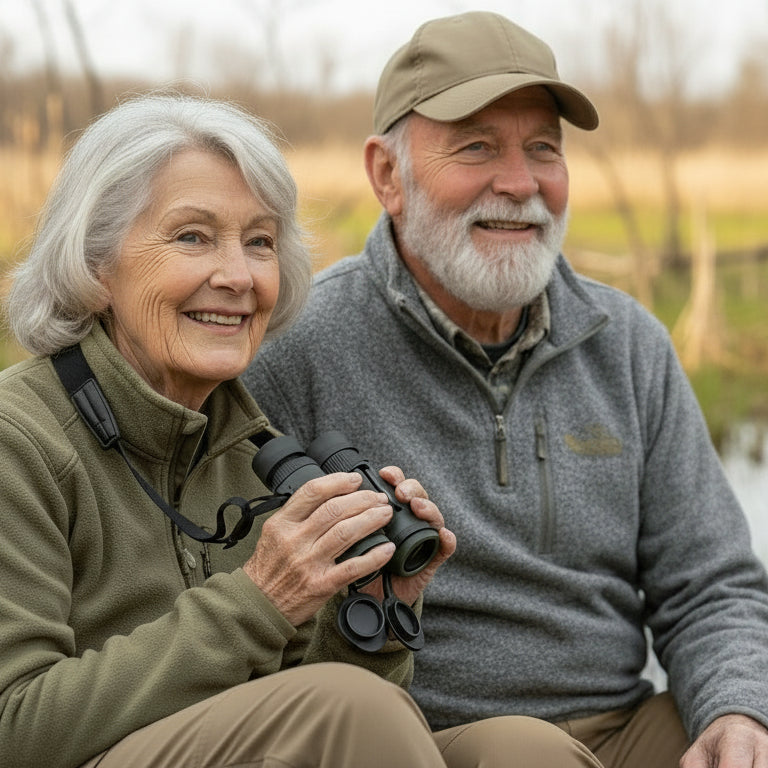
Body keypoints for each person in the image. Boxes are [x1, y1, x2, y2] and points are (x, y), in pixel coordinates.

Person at [0, 92, 598, 768]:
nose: (239, 276)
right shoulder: (20, 440)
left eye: (259, 242)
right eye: (192, 236)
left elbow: (314, 704)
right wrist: (258, 599)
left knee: (523, 749)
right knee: (350, 708)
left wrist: (375, 612)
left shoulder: (249, 447)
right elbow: (14, 729)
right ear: (95, 262)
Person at [244, 11, 768, 768]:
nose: (521, 184)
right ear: (387, 175)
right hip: (426, 742)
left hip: (623, 728)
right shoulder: (295, 349)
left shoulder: (627, 344)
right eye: (476, 147)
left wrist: (736, 708)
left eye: (543, 149)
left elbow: (711, 583)